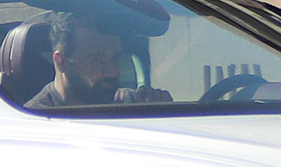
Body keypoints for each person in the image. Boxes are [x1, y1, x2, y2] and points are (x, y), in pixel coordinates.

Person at [24, 11, 172, 109]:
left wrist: (163, 112)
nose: (112, 72)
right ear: (61, 62)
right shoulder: (32, 121)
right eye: (96, 60)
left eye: (115, 58)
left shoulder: (135, 104)